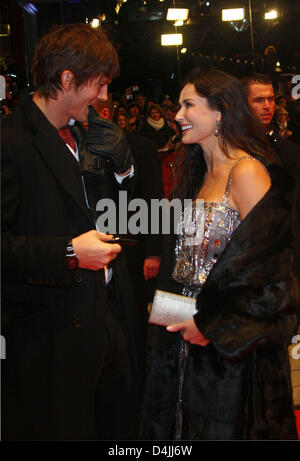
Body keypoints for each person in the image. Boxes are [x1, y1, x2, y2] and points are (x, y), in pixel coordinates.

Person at [141, 69, 299, 440]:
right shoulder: (195, 175)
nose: (176, 114)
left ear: (220, 113)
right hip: (186, 352)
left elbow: (274, 281)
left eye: (188, 105)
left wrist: (214, 325)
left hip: (233, 362)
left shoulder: (247, 172)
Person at [1, 23, 140, 441]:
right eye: (98, 85)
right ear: (66, 79)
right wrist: (68, 252)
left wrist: (123, 172)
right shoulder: (9, 142)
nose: (103, 97)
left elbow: (114, 218)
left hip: (111, 316)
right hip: (52, 337)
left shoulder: (87, 134)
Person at [242, 73, 300, 325]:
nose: (267, 105)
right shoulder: (230, 151)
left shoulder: (289, 151)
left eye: (271, 99)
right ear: (243, 104)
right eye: (259, 100)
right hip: (246, 258)